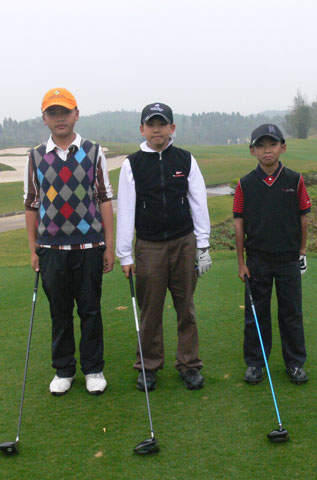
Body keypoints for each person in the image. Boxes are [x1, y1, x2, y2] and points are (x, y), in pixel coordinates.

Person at [23, 87, 114, 396]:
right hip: (51, 249)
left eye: (65, 112)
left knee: (90, 311)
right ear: (44, 118)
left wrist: (108, 246)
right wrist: (33, 249)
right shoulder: (36, 156)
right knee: (59, 313)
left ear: (76, 114)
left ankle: (93, 369)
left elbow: (104, 199)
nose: (60, 118)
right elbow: (31, 204)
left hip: (89, 247)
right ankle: (63, 369)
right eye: (53, 113)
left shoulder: (93, 151)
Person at [116, 102, 212, 391]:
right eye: (151, 124)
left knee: (186, 308)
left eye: (162, 124)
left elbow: (198, 202)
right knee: (150, 311)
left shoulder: (185, 159)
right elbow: (126, 211)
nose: (156, 129)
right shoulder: (132, 164)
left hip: (184, 243)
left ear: (172, 128)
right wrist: (124, 254)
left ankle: (189, 364)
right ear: (142, 129)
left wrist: (203, 245)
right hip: (149, 246)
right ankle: (148, 366)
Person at [233, 123, 311, 385]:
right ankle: (256, 363)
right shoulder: (245, 184)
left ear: (283, 148)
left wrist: (302, 251)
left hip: (288, 259)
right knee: (256, 315)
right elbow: (239, 223)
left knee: (291, 314)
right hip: (257, 260)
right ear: (252, 151)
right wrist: (241, 262)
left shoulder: (295, 180)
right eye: (261, 146)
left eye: (273, 145)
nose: (267, 150)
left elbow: (303, 217)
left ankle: (295, 363)